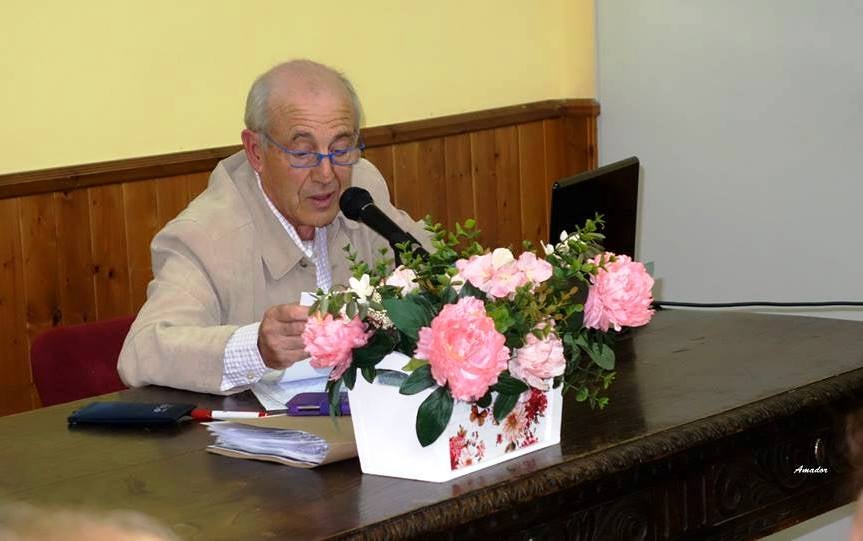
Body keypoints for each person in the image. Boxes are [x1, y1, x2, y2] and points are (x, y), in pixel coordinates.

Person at [118, 60, 429, 394]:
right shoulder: (205, 234)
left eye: (340, 148)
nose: (327, 174)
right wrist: (255, 348)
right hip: (255, 437)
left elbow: (440, 268)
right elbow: (143, 351)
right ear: (256, 151)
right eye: (302, 152)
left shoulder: (362, 189)